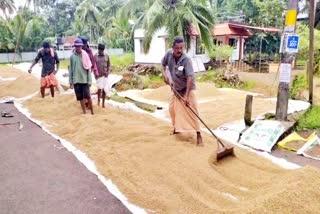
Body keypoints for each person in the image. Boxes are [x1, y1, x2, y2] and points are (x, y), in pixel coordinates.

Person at [161, 37, 203, 146]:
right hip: (176, 88)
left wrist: (186, 96)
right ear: (172, 47)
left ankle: (199, 135)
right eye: (177, 48)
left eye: (181, 48)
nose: (179, 50)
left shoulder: (186, 60)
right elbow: (163, 64)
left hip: (188, 88)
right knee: (172, 109)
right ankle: (176, 129)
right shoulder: (168, 54)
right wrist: (164, 75)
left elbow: (190, 78)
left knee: (192, 111)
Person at [69, 38, 94, 115]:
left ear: (81, 46)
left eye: (79, 46)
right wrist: (71, 82)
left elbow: (88, 68)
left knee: (88, 96)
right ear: (75, 46)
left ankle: (92, 112)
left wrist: (89, 80)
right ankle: (84, 112)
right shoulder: (72, 57)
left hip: (84, 80)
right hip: (76, 80)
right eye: (76, 46)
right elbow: (71, 70)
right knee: (80, 98)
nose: (78, 47)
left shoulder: (85, 55)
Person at [94, 43, 111, 107]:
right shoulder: (95, 56)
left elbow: (109, 65)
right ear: (98, 49)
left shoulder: (107, 56)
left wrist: (108, 72)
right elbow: (93, 66)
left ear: (103, 50)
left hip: (105, 75)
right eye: (100, 50)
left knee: (104, 89)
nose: (101, 52)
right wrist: (95, 74)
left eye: (102, 50)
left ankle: (103, 103)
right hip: (98, 76)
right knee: (99, 89)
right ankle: (98, 101)